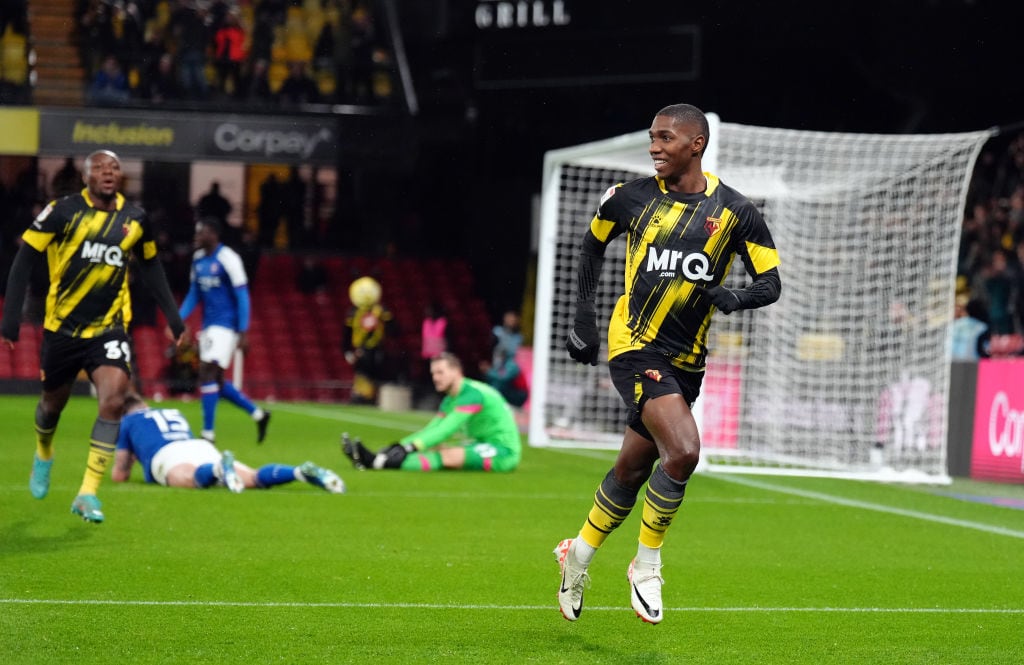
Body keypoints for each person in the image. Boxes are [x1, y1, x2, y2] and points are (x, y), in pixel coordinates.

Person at [556, 104, 782, 624]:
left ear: (696, 143)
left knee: (632, 470)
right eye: (651, 138)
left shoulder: (736, 212)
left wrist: (735, 299)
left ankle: (578, 556)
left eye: (665, 138)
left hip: (688, 360)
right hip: (635, 346)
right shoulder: (627, 198)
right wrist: (584, 318)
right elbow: (590, 248)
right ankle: (647, 564)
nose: (654, 147)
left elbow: (771, 284)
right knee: (682, 452)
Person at [1, 149, 186, 524]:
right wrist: (10, 319)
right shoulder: (62, 211)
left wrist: (173, 315)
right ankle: (44, 450)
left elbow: (150, 264)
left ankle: (87, 492)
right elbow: (25, 258)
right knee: (51, 407)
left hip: (110, 328)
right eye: (100, 167)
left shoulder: (135, 219)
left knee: (114, 400)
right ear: (86, 176)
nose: (108, 172)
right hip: (62, 329)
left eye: (114, 168)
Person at [111, 393, 344, 493]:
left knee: (185, 477)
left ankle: (217, 469)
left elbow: (120, 474)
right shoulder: (172, 411)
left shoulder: (127, 422)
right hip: (199, 445)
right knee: (252, 478)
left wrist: (131, 458)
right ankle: (298, 472)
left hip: (167, 454)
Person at [342, 352, 521, 472]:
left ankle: (376, 463)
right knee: (434, 445)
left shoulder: (471, 395)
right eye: (433, 373)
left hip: (503, 451)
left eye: (440, 372)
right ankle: (379, 458)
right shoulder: (451, 399)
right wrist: (397, 446)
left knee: (448, 456)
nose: (435, 377)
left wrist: (410, 447)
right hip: (481, 444)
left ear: (456, 371)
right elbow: (432, 429)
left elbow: (446, 430)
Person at [178, 217, 271, 444]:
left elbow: (242, 295)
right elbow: (194, 294)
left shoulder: (229, 258)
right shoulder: (198, 259)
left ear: (213, 234)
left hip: (226, 326)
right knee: (216, 381)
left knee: (206, 373)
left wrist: (243, 331)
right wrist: (177, 320)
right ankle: (258, 414)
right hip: (209, 326)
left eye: (200, 233)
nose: (196, 237)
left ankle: (208, 435)